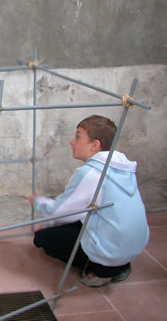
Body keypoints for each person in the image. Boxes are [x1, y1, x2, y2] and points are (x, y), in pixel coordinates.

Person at [28, 115, 149, 287]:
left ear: (95, 145)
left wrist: (37, 201)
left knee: (43, 238)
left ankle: (100, 270)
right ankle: (121, 266)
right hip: (132, 247)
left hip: (109, 252)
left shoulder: (91, 174)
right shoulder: (124, 169)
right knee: (64, 223)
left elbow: (60, 210)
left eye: (78, 136)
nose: (71, 141)